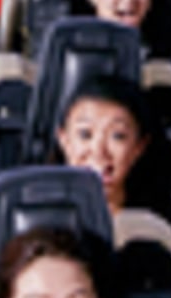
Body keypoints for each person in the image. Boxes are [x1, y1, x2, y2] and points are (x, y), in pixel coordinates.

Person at [55, 79, 147, 210]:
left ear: (139, 147)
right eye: (85, 134)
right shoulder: (36, 220)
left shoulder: (153, 226)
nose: (98, 151)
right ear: (64, 140)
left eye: (117, 136)